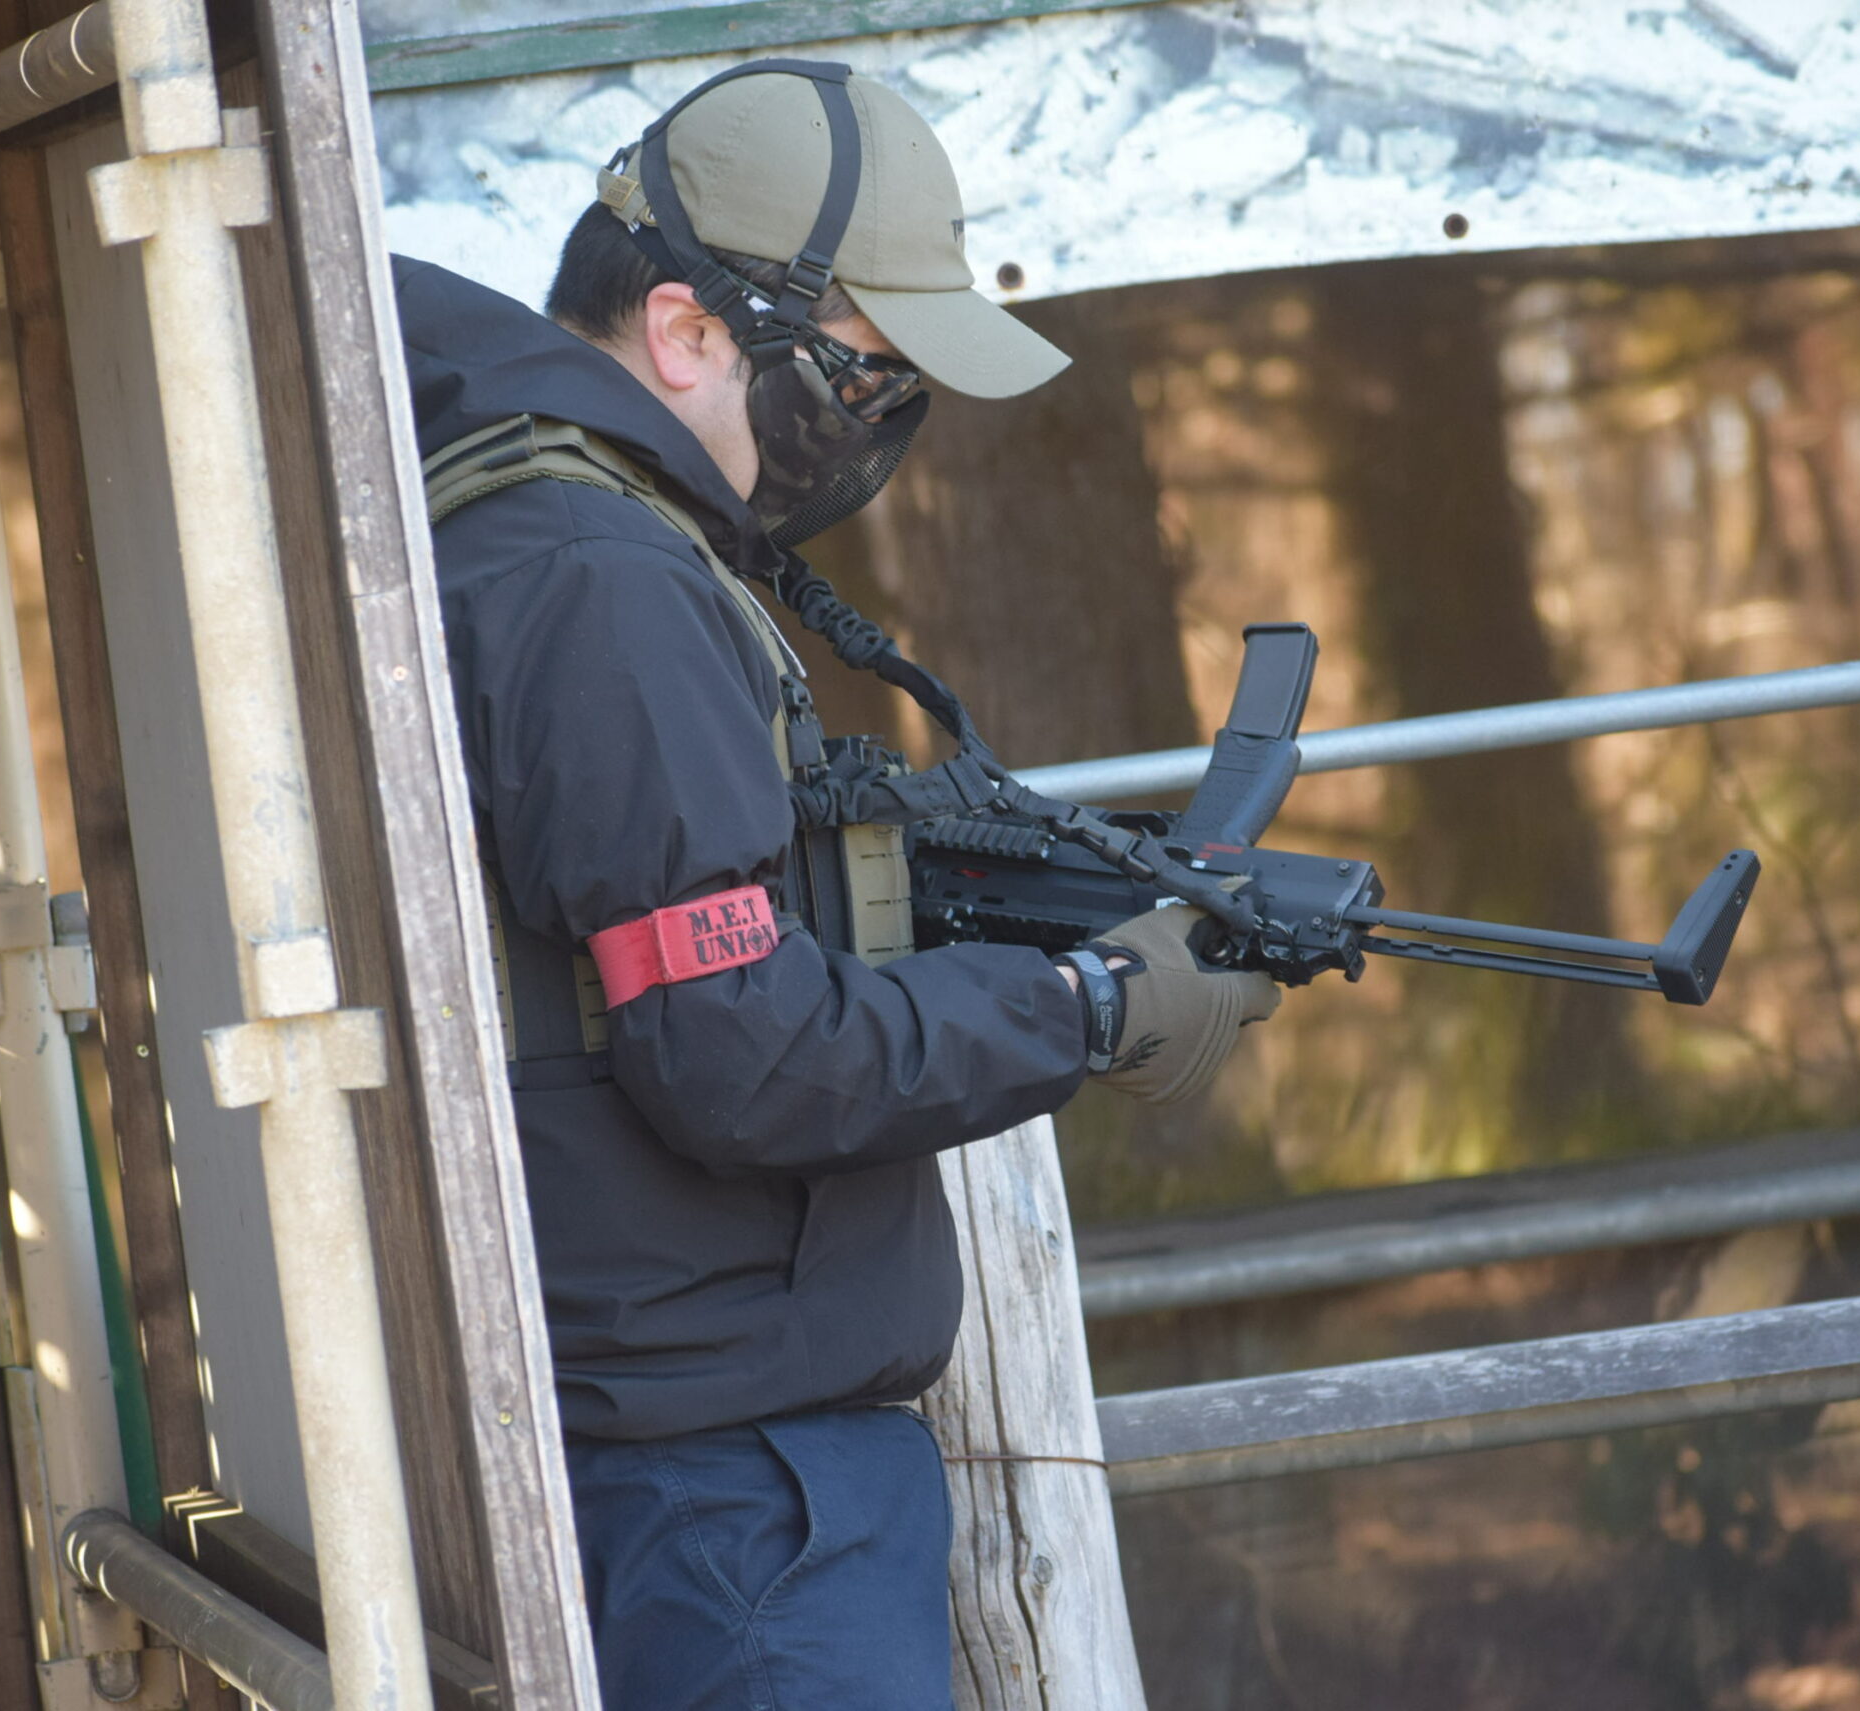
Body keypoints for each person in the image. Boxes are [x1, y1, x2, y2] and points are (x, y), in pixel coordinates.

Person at [394, 58, 1279, 1711]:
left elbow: (637, 950)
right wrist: (1082, 1007)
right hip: (727, 1496)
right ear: (686, 332)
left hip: (703, 1450)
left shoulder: (560, 528)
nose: (877, 422)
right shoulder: (599, 576)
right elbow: (738, 1052)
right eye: (859, 371)